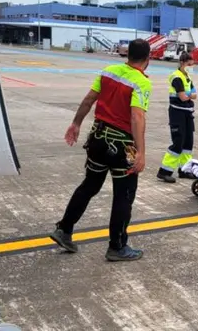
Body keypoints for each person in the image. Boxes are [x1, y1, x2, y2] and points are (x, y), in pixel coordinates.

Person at [49, 38, 152, 261]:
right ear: (148, 59)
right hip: (121, 145)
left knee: (90, 185)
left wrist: (76, 123)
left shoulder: (108, 71)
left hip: (97, 138)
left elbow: (89, 100)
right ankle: (117, 246)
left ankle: (64, 229)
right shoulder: (141, 82)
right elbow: (136, 116)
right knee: (124, 195)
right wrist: (141, 152)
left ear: (128, 55)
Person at [157, 52, 197, 183]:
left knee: (188, 143)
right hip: (177, 113)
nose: (191, 67)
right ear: (182, 63)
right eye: (189, 64)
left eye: (192, 64)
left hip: (187, 112)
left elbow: (194, 94)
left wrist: (189, 95)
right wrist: (189, 95)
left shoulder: (187, 77)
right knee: (178, 142)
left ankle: (184, 170)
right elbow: (183, 97)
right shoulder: (176, 77)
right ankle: (164, 171)